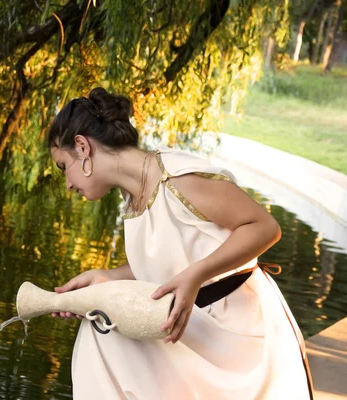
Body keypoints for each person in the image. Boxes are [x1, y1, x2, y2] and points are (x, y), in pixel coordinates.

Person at [47, 87, 313, 399]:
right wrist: (106, 278)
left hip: (236, 335)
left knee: (105, 337)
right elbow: (170, 261)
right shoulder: (132, 199)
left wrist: (197, 275)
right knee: (103, 331)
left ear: (82, 146)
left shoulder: (176, 178)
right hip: (190, 327)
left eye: (64, 167)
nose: (67, 185)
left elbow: (264, 227)